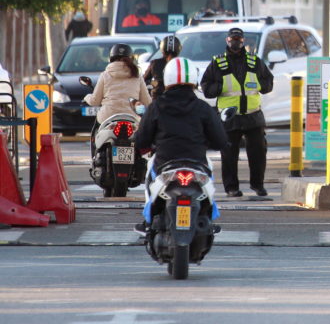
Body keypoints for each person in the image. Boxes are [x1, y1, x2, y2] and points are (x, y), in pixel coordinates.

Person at [134, 56, 228, 231]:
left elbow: (141, 140)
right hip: (197, 163)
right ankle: (209, 217)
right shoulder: (203, 108)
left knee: (149, 180)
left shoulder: (156, 106)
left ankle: (148, 221)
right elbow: (220, 140)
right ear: (194, 78)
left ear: (167, 78)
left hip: (164, 163)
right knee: (210, 181)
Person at [201, 27, 274, 197]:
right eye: (233, 39)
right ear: (227, 41)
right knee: (229, 155)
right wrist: (220, 87)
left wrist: (260, 86)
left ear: (243, 41)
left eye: (239, 39)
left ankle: (258, 185)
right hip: (229, 116)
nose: (236, 42)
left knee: (258, 152)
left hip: (253, 115)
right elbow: (206, 88)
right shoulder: (218, 63)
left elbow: (268, 83)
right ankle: (231, 188)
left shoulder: (254, 61)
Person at [84, 44, 152, 167]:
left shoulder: (105, 75)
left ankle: (95, 156)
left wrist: (86, 97)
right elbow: (147, 101)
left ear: (111, 58)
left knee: (95, 131)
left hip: (107, 117)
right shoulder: (137, 75)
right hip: (132, 118)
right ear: (131, 58)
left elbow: (95, 100)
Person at [143, 35, 182, 100]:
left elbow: (143, 81)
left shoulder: (155, 63)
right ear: (179, 49)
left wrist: (153, 83)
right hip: (179, 101)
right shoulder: (182, 64)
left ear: (162, 49)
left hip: (158, 101)